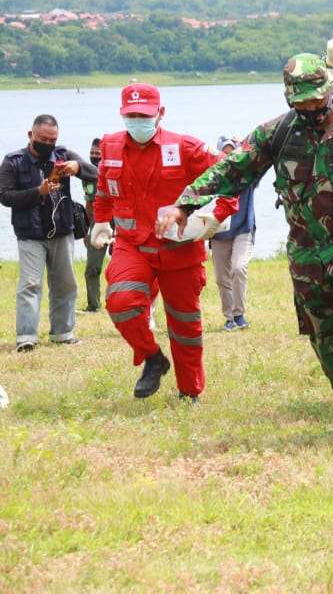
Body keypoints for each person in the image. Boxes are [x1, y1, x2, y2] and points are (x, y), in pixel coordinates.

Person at [157, 46, 333, 457]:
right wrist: (185, 204)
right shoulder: (279, 132)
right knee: (324, 335)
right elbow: (232, 169)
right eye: (301, 101)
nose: (310, 107)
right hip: (307, 253)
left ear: (330, 91)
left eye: (316, 99)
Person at [90, 83, 237, 402]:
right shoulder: (111, 146)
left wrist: (219, 214)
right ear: (122, 114)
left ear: (160, 113)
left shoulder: (186, 147)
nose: (137, 121)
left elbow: (229, 174)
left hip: (179, 248)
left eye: (144, 115)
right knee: (121, 302)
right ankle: (152, 357)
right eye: (131, 115)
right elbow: (104, 188)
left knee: (184, 322)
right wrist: (101, 220)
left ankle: (190, 391)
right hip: (132, 244)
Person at [0, 114, 98, 352]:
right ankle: (26, 337)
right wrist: (38, 192)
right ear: (30, 135)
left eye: (52, 139)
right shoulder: (12, 161)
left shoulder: (63, 155)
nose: (48, 143)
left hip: (62, 230)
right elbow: (4, 196)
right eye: (43, 138)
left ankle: (63, 333)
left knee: (65, 283)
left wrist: (77, 168)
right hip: (29, 234)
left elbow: (96, 173)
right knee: (30, 285)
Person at [210, 136, 257, 331]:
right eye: (225, 152)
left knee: (238, 268)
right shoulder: (213, 177)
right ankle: (229, 317)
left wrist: (245, 144)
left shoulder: (248, 175)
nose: (229, 156)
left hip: (243, 229)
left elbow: (258, 156)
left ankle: (239, 315)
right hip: (218, 232)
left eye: (233, 151)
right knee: (222, 278)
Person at [81, 137, 108, 313]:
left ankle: (120, 303)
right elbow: (89, 203)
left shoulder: (113, 171)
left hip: (118, 223)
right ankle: (93, 305)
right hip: (96, 224)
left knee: (122, 268)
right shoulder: (87, 175)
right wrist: (87, 229)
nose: (94, 156)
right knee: (92, 267)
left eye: (98, 154)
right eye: (92, 153)